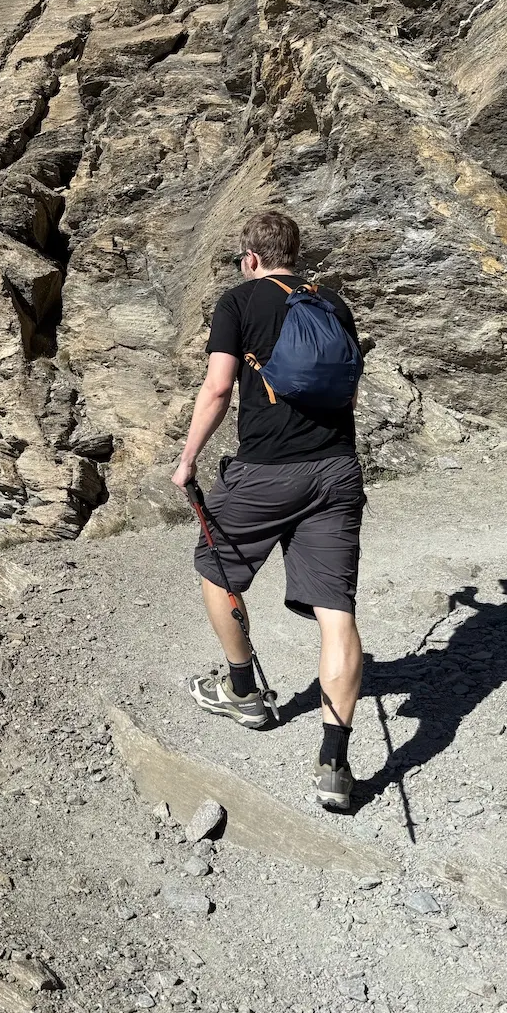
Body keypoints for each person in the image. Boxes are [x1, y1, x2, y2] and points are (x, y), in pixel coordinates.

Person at [170, 211, 365, 811]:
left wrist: (186, 461)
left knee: (215, 566)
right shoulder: (332, 304)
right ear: (295, 255)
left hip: (265, 472)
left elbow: (218, 389)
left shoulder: (238, 302)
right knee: (337, 611)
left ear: (250, 258)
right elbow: (350, 385)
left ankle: (245, 690)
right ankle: (334, 763)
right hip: (336, 469)